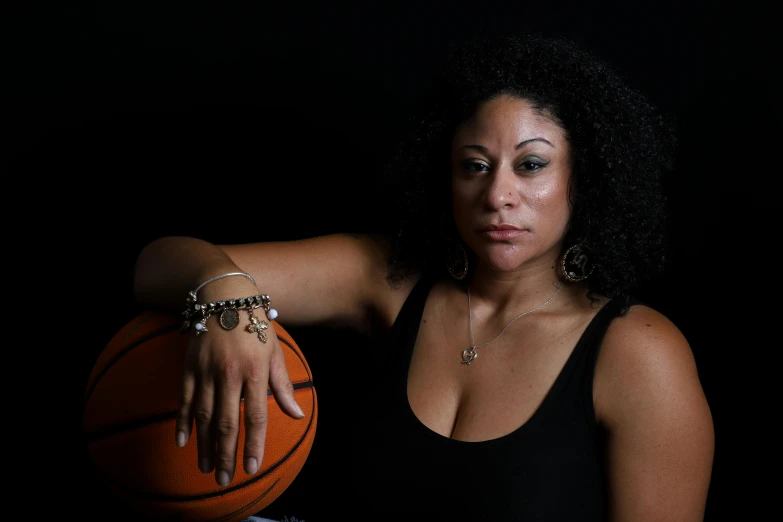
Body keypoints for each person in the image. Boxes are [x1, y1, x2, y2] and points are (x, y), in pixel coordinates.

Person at [132, 34, 714, 521]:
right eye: (474, 167)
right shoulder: (390, 281)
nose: (497, 194)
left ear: (582, 178)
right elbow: (156, 265)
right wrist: (226, 296)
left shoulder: (639, 352)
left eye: (531, 164)